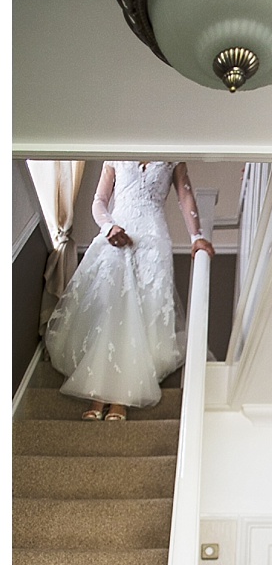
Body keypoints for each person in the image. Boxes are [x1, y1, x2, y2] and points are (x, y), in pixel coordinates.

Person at [43, 161, 213, 421]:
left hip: (153, 238)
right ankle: (99, 396)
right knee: (110, 309)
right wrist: (109, 227)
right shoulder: (116, 154)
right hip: (117, 236)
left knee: (144, 312)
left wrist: (196, 237)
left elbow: (185, 195)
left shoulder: (171, 155)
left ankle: (121, 399)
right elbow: (99, 201)